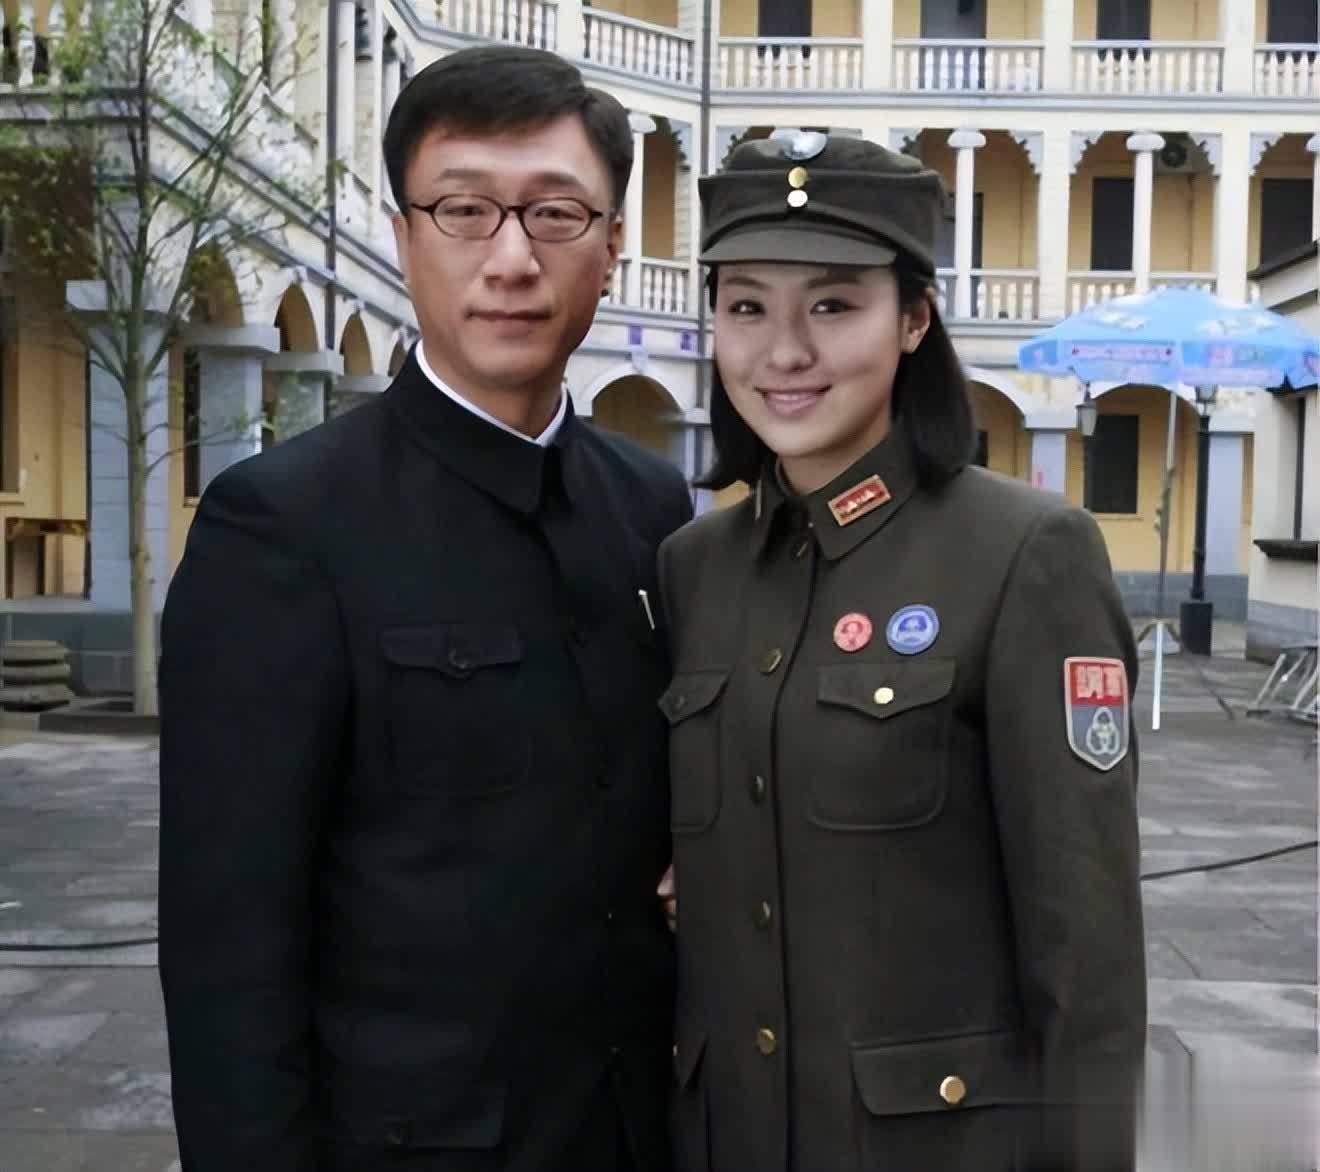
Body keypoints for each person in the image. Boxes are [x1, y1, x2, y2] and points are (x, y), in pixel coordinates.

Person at [158, 44, 691, 1172]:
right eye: (464, 210)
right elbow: (228, 942)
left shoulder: (650, 507)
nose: (511, 258)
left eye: (556, 214)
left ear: (611, 248)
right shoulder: (285, 525)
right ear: (404, 237)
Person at [657, 133, 1146, 1172]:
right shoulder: (694, 567)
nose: (784, 351)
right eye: (746, 307)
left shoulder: (1024, 553)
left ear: (915, 318)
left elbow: (1086, 954)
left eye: (833, 305)